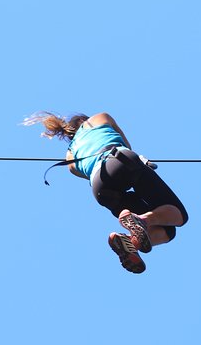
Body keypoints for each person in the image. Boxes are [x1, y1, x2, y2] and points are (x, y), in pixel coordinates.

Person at [25, 111, 188, 273]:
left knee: (168, 230)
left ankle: (130, 243)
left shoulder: (69, 156)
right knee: (179, 215)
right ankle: (143, 220)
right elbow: (127, 145)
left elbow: (84, 172)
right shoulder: (99, 117)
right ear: (83, 120)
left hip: (101, 189)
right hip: (119, 159)